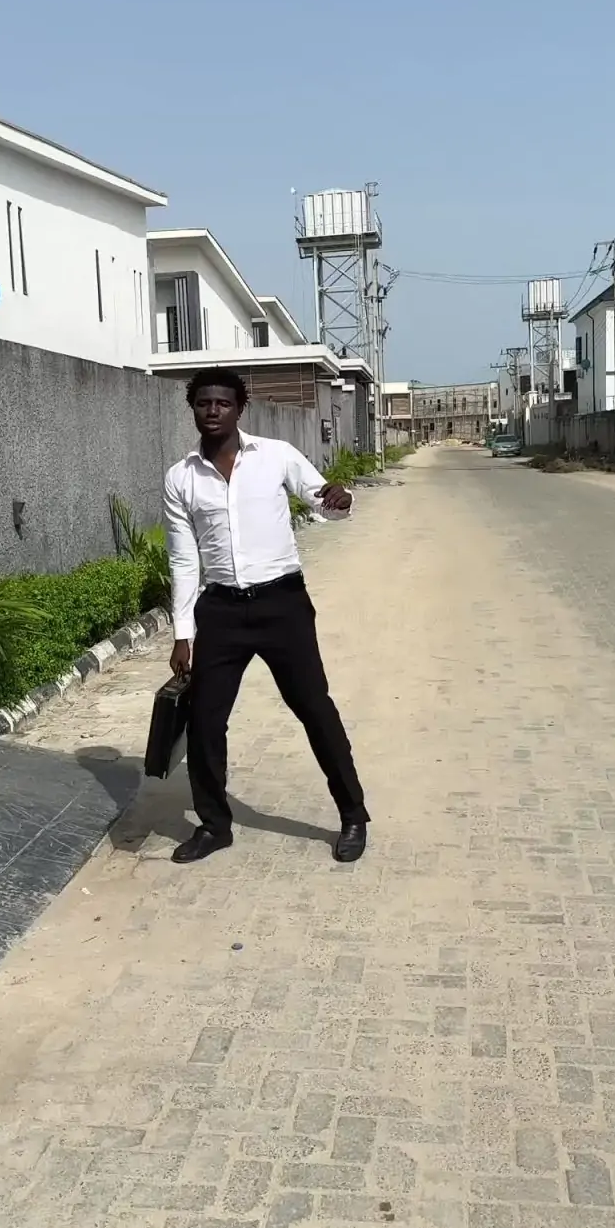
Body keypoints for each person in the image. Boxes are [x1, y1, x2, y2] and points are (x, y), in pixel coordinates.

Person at [163, 368, 369, 866]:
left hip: (283, 606)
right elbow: (184, 561)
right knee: (205, 720)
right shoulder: (180, 478)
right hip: (221, 611)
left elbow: (324, 500)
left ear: (240, 408)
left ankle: (353, 814)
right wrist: (183, 633)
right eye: (204, 403)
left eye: (223, 403)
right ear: (193, 409)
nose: (213, 411)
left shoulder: (276, 455)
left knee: (314, 708)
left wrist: (341, 499)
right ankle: (214, 826)